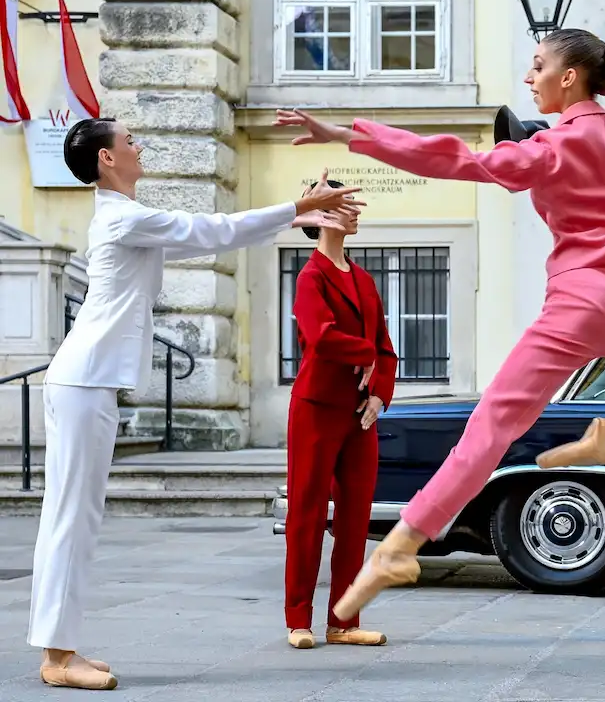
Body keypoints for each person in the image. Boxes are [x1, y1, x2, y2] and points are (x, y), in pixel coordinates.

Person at [273, 0, 605, 622]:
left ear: (568, 78)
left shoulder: (547, 150)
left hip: (581, 300)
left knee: (496, 425)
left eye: (537, 68)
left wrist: (349, 133)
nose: (529, 80)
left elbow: (452, 158)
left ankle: (405, 542)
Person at [27, 118, 362, 691]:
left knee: (75, 520)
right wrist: (293, 206)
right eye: (130, 140)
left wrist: (296, 215)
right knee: (70, 521)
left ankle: (62, 649)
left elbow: (216, 234)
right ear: (108, 159)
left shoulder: (128, 219)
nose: (139, 145)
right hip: (82, 383)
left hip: (87, 384)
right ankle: (58, 658)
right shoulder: (124, 216)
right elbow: (212, 229)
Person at [283, 179, 397, 650]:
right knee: (306, 517)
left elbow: (387, 350)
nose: (354, 213)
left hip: (359, 415)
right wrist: (365, 353)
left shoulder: (365, 279)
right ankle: (298, 621)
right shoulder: (310, 277)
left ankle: (343, 621)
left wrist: (379, 395)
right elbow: (320, 336)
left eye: (353, 205)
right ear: (323, 216)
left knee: (355, 520)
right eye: (343, 205)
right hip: (316, 410)